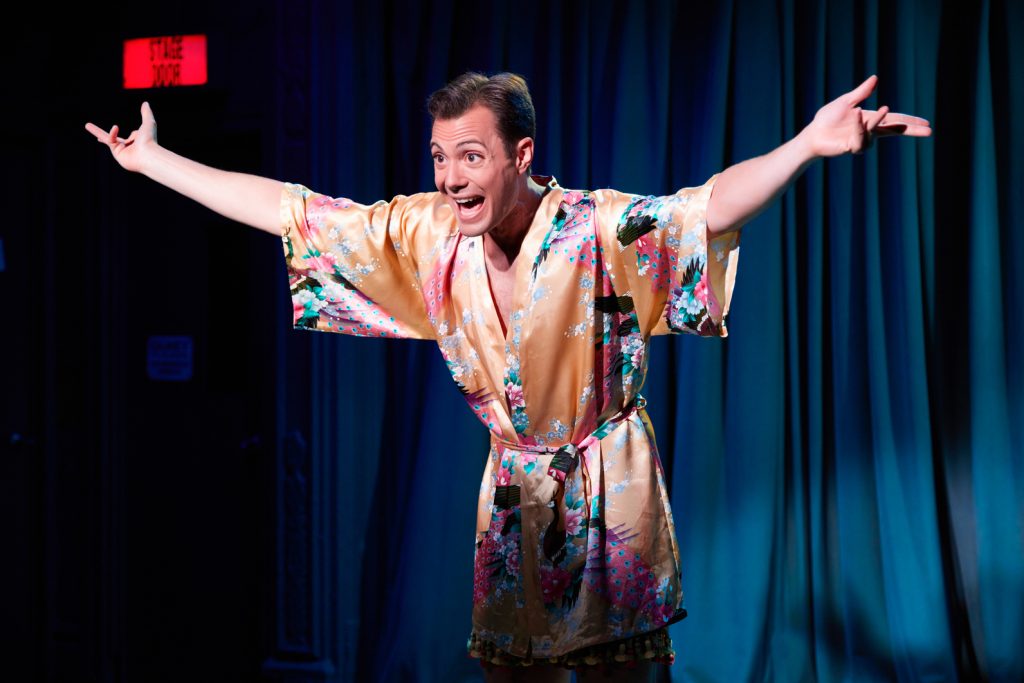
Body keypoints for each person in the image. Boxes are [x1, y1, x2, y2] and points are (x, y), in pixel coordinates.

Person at [85, 71, 931, 683]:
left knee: (621, 674)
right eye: (440, 157)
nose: (450, 177)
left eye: (471, 156)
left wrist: (806, 146)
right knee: (513, 674)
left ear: (521, 154)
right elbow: (293, 211)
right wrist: (154, 163)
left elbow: (704, 207)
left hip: (609, 482)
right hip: (514, 490)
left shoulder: (591, 227)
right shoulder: (427, 236)